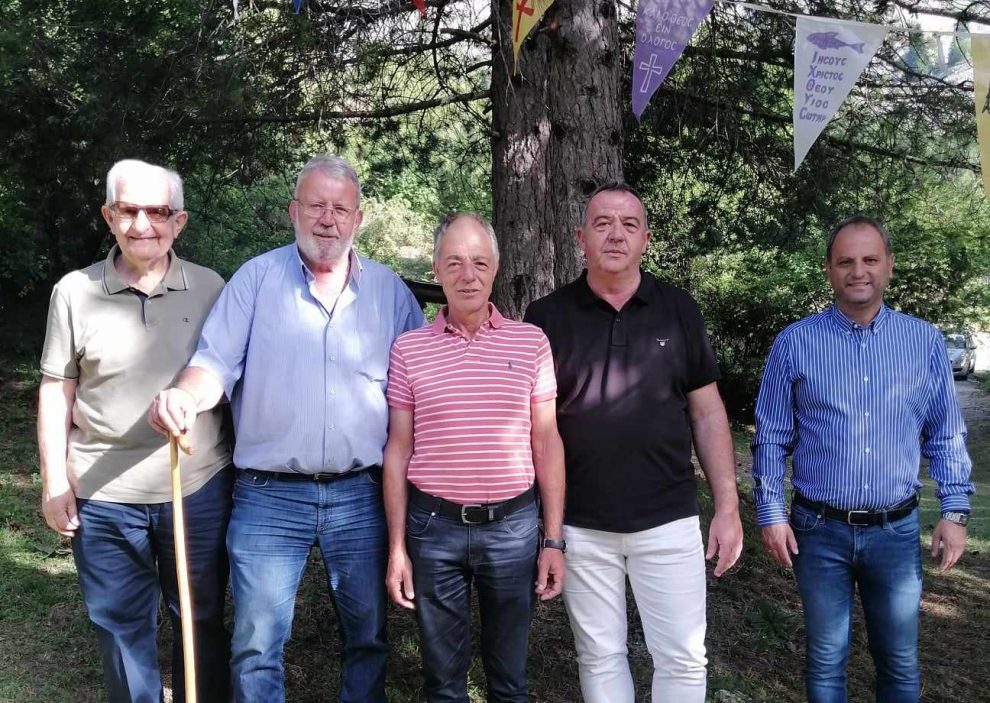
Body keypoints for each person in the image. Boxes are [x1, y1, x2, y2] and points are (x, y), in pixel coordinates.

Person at [149, 155, 424, 703]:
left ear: (358, 218)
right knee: (256, 645)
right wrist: (184, 395)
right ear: (293, 211)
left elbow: (421, 382)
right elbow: (214, 365)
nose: (328, 219)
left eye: (340, 208)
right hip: (269, 496)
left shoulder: (391, 292)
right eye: (316, 206)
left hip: (362, 495)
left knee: (368, 637)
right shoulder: (255, 280)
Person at [524, 182, 743, 703]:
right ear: (581, 237)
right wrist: (549, 531)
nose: (616, 235)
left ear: (646, 238)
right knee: (599, 658)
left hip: (668, 519)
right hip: (581, 524)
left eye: (628, 224)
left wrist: (728, 506)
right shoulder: (546, 318)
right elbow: (535, 428)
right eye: (602, 223)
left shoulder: (679, 309)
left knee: (684, 659)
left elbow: (708, 412)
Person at [752, 215, 975, 703]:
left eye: (870, 259)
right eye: (845, 261)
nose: (859, 271)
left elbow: (945, 433)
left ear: (889, 266)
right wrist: (770, 512)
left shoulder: (923, 342)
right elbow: (770, 436)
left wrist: (955, 511)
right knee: (825, 659)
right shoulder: (795, 343)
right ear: (829, 269)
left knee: (899, 663)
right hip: (817, 530)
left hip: (896, 533)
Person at [38, 159, 233, 703]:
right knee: (121, 626)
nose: (143, 224)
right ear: (108, 216)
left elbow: (228, 376)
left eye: (158, 212)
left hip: (197, 489)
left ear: (180, 221)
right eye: (128, 210)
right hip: (103, 494)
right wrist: (55, 481)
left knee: (200, 616)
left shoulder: (211, 288)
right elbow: (56, 390)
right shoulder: (73, 292)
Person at [383, 212, 566, 703]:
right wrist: (397, 547)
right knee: (442, 684)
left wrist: (553, 540)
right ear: (437, 270)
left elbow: (547, 441)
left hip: (512, 531)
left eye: (480, 263)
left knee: (509, 682)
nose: (468, 275)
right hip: (433, 531)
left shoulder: (531, 343)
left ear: (495, 269)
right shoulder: (408, 350)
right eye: (455, 263)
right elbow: (398, 449)